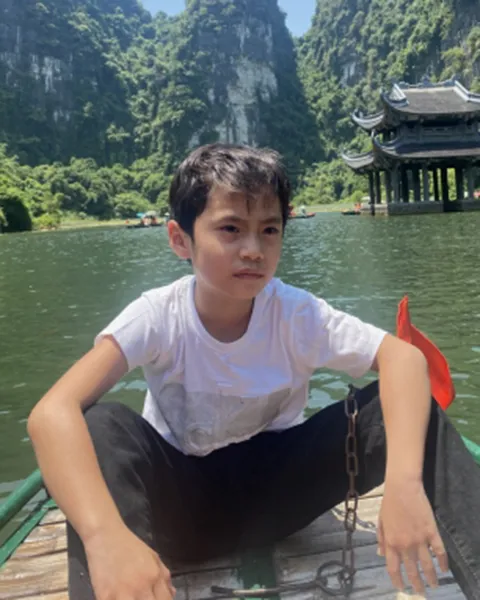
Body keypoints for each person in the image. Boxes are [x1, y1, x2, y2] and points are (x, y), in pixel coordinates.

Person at [28, 143, 480, 600]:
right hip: (177, 508)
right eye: (230, 229)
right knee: (100, 424)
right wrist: (105, 535)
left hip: (276, 499)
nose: (253, 250)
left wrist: (404, 485)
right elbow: (51, 413)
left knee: (400, 406)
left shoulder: (296, 314)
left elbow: (405, 359)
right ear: (180, 239)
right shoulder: (158, 316)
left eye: (269, 230)